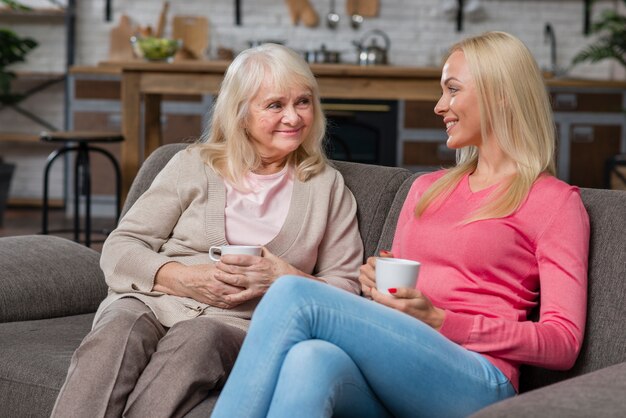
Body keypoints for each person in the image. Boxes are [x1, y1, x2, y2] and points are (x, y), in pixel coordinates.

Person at [210, 31, 590, 418]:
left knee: (292, 294)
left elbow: (563, 342)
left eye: (453, 90)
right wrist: (376, 284)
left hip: (478, 378)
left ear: (500, 94)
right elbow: (402, 295)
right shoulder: (426, 188)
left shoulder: (555, 202)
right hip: (403, 367)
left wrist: (442, 320)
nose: (441, 106)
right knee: (311, 359)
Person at [51, 43, 363, 418]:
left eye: (303, 102)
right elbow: (122, 245)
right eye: (276, 105)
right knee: (117, 333)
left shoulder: (327, 188)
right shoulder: (192, 165)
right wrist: (183, 278)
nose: (294, 117)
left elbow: (347, 289)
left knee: (197, 339)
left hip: (239, 325)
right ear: (241, 114)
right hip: (154, 300)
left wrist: (284, 278)